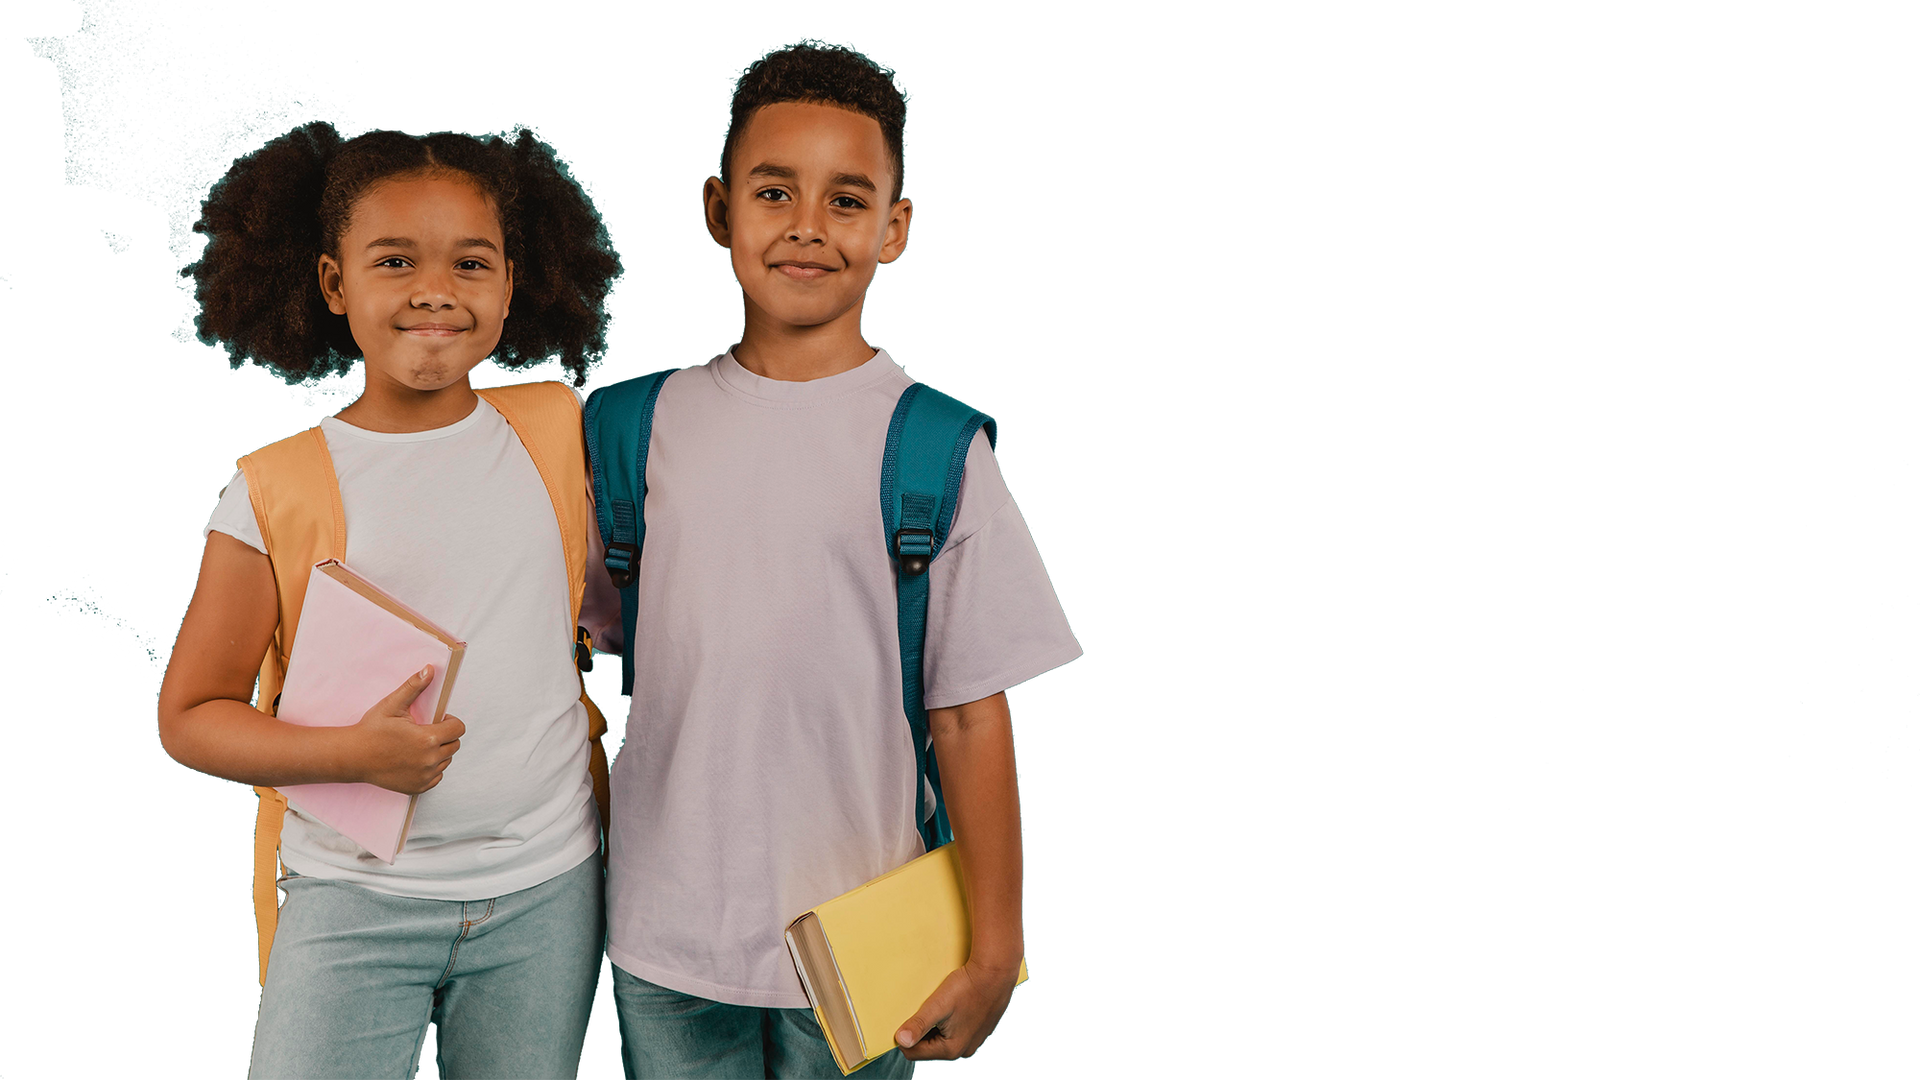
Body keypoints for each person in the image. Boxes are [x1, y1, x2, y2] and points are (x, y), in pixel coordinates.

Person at [589, 37, 1082, 1078]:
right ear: (719, 210)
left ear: (896, 228)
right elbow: (569, 647)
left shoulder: (937, 447)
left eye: (847, 201)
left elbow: (969, 714)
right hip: (662, 932)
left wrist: (998, 950)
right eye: (775, 191)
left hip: (870, 944)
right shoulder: (627, 427)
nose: (807, 227)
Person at [154, 122, 621, 1079]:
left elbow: (606, 605)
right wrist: (349, 757)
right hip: (352, 899)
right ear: (335, 284)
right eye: (395, 260)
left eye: (471, 262)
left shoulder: (556, 428)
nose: (435, 291)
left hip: (549, 892)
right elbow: (191, 718)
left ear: (511, 281)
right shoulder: (273, 490)